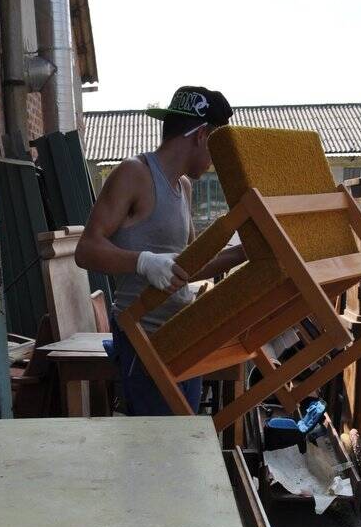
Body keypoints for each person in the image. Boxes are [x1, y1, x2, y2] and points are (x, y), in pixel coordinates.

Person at [75, 86, 244, 415]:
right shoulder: (134, 174)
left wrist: (241, 253)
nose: (216, 161)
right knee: (153, 449)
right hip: (143, 339)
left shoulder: (183, 186)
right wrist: (141, 262)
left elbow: (187, 266)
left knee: (181, 442)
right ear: (201, 136)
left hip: (181, 336)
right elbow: (86, 249)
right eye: (217, 146)